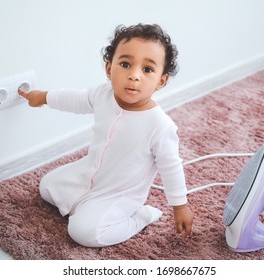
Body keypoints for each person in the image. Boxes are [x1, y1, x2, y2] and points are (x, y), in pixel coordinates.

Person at [18, 23, 193, 247]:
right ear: (109, 69)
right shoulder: (103, 94)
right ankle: (82, 202)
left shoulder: (160, 126)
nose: (134, 76)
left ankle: (141, 217)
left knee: (84, 233)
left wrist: (180, 205)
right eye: (125, 64)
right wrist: (44, 97)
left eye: (147, 69)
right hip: (88, 172)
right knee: (46, 187)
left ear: (161, 80)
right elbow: (75, 99)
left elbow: (171, 167)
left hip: (118, 193)